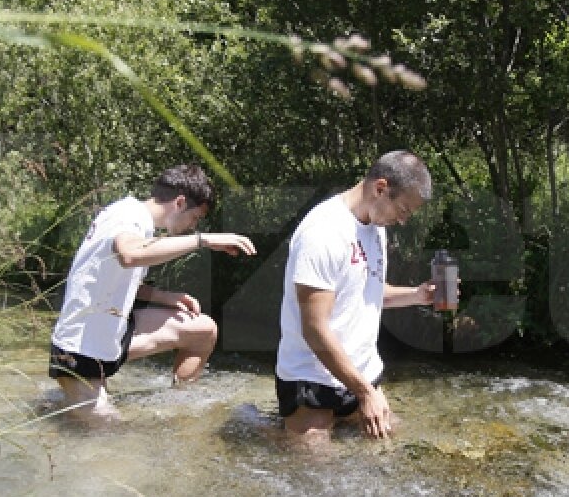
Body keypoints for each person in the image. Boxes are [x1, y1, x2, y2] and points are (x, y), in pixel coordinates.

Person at [49, 163, 256, 421]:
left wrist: (165, 298)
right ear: (180, 202)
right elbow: (130, 254)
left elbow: (122, 277)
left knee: (202, 331)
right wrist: (203, 240)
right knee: (110, 432)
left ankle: (181, 409)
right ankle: (69, 400)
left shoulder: (138, 221)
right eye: (195, 218)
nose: (193, 226)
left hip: (112, 331)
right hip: (80, 346)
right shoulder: (128, 217)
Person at [275, 149, 435, 443]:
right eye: (404, 210)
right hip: (312, 377)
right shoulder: (323, 232)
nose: (403, 221)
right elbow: (314, 328)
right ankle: (270, 433)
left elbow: (368, 294)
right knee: (315, 473)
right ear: (381, 188)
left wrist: (417, 295)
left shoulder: (375, 227)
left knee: (392, 448)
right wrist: (365, 393)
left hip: (361, 373)